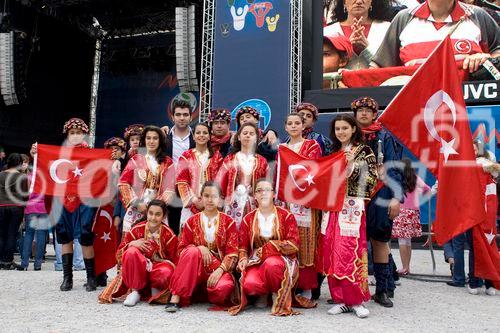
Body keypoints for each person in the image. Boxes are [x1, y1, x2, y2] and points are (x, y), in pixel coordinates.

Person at [316, 115, 378, 318]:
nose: (341, 132)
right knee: (331, 249)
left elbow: (372, 178)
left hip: (351, 207)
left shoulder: (364, 151)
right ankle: (340, 298)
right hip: (332, 208)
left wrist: (352, 166)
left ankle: (356, 299)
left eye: (345, 128)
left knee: (350, 250)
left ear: (353, 129)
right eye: (337, 129)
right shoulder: (333, 152)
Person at [229, 179, 315, 316]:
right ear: (254, 196)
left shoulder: (286, 215)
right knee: (249, 284)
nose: (263, 193)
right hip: (256, 261)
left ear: (274, 194)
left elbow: (293, 245)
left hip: (282, 261)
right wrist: (243, 259)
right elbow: (243, 246)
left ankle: (276, 293)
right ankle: (264, 294)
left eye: (267, 190)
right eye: (259, 190)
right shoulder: (248, 218)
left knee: (271, 264)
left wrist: (270, 248)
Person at [33, 118, 100, 291]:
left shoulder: (92, 153)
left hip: (85, 200)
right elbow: (45, 168)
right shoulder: (58, 154)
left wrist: (114, 156)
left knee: (86, 236)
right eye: (72, 133)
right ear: (67, 134)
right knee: (65, 237)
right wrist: (36, 154)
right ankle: (67, 277)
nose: (76, 136)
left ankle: (91, 277)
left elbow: (102, 171)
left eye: (79, 132)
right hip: (62, 199)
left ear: (84, 134)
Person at [353, 97, 403, 307]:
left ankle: (382, 290)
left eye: (368, 110)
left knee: (379, 240)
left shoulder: (385, 136)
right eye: (360, 110)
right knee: (352, 243)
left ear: (375, 114)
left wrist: (396, 198)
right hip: (353, 195)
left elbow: (394, 168)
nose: (364, 113)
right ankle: (352, 290)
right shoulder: (349, 134)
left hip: (380, 194)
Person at [166, 181, 238, 312]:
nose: (210, 200)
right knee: (192, 251)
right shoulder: (191, 221)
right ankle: (175, 296)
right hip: (195, 268)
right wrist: (199, 248)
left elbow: (232, 253)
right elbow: (181, 250)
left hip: (216, 267)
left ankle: (203, 293)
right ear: (201, 198)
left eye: (214, 196)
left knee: (225, 287)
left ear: (221, 199)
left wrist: (220, 270)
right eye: (206, 196)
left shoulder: (229, 222)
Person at [371, 0, 500, 72]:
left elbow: (497, 53)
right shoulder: (403, 18)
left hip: (467, 106)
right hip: (415, 106)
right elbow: (379, 67)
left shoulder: (477, 15)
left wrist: (487, 58)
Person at [98, 200, 178, 306]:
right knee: (131, 252)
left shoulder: (169, 234)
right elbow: (119, 255)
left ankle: (156, 290)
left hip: (158, 271)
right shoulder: (136, 230)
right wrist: (132, 244)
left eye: (158, 214)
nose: (153, 218)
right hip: (139, 271)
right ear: (147, 213)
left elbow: (175, 260)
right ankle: (135, 291)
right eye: (151, 213)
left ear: (163, 217)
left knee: (166, 270)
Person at [279, 113, 322, 300]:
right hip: (287, 201)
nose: (294, 126)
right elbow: (279, 174)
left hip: (306, 200)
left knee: (306, 242)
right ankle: (289, 283)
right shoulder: (281, 148)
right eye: (290, 123)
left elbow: (312, 168)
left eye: (297, 123)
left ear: (303, 126)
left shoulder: (312, 145)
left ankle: (306, 286)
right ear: (285, 127)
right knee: (289, 239)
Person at [447, 140, 498, 295]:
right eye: (472, 150)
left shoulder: (476, 165)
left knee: (479, 248)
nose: (474, 152)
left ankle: (480, 282)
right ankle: (482, 282)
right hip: (476, 214)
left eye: (475, 149)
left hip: (480, 214)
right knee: (480, 248)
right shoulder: (478, 166)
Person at [119, 126, 175, 237]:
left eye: (155, 138)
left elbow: (170, 189)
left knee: (155, 247)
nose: (151, 141)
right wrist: (137, 203)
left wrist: (156, 207)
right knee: (132, 245)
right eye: (148, 138)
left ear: (160, 141)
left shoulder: (168, 162)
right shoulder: (135, 159)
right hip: (136, 210)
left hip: (158, 212)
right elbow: (123, 183)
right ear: (144, 140)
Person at [218, 123, 269, 229]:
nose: (248, 136)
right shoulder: (229, 159)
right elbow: (220, 184)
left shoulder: (262, 161)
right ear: (239, 137)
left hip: (255, 206)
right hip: (232, 205)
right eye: (245, 133)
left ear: (256, 139)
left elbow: (267, 186)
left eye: (251, 134)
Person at [176, 123, 223, 228]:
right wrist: (194, 200)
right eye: (198, 133)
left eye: (205, 133)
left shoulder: (217, 157)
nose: (201, 135)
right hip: (191, 204)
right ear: (193, 136)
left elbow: (220, 181)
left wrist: (210, 200)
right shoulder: (185, 156)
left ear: (210, 136)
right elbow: (182, 182)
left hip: (212, 203)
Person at [324, 0, 392, 69]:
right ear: (344, 2)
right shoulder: (328, 32)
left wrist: (367, 50)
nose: (359, 1)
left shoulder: (387, 28)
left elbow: (392, 65)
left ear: (371, 1)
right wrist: (347, 49)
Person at [391, 158, 431, 275]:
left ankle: (404, 267)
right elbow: (427, 190)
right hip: (413, 212)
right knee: (408, 241)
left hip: (401, 211)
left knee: (402, 241)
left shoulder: (399, 180)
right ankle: (407, 267)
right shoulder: (415, 178)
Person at [166, 99, 196, 235]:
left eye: (185, 114)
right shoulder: (163, 137)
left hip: (191, 189)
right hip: (169, 188)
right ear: (172, 117)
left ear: (191, 117)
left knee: (188, 226)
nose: (182, 118)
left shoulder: (198, 137)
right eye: (178, 114)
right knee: (170, 225)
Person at [0, 153, 28, 270]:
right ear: (20, 163)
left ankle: (1, 259)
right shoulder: (22, 177)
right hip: (16, 207)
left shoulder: (0, 175)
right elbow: (25, 195)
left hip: (1, 206)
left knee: (1, 234)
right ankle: (7, 261)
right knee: (12, 234)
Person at [19, 166, 50, 271]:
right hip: (44, 208)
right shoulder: (47, 177)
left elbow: (25, 194)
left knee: (29, 234)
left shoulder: (29, 177)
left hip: (31, 207)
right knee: (41, 235)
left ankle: (24, 264)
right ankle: (38, 264)